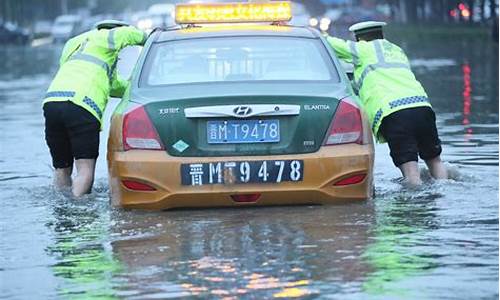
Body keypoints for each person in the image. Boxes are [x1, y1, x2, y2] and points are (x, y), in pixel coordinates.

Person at [326, 21, 448, 186]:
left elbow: (330, 43)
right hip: (423, 108)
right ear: (381, 34)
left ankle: (416, 204)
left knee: (411, 175)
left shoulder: (362, 49)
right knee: (435, 160)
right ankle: (445, 189)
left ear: (358, 38)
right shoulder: (397, 51)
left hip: (394, 113)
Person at [43, 20, 147, 196]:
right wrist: (156, 36)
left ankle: (61, 206)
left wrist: (134, 86)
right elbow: (133, 34)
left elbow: (113, 86)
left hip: (52, 102)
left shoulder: (74, 43)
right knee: (85, 169)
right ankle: (77, 210)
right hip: (82, 105)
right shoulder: (109, 35)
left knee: (62, 168)